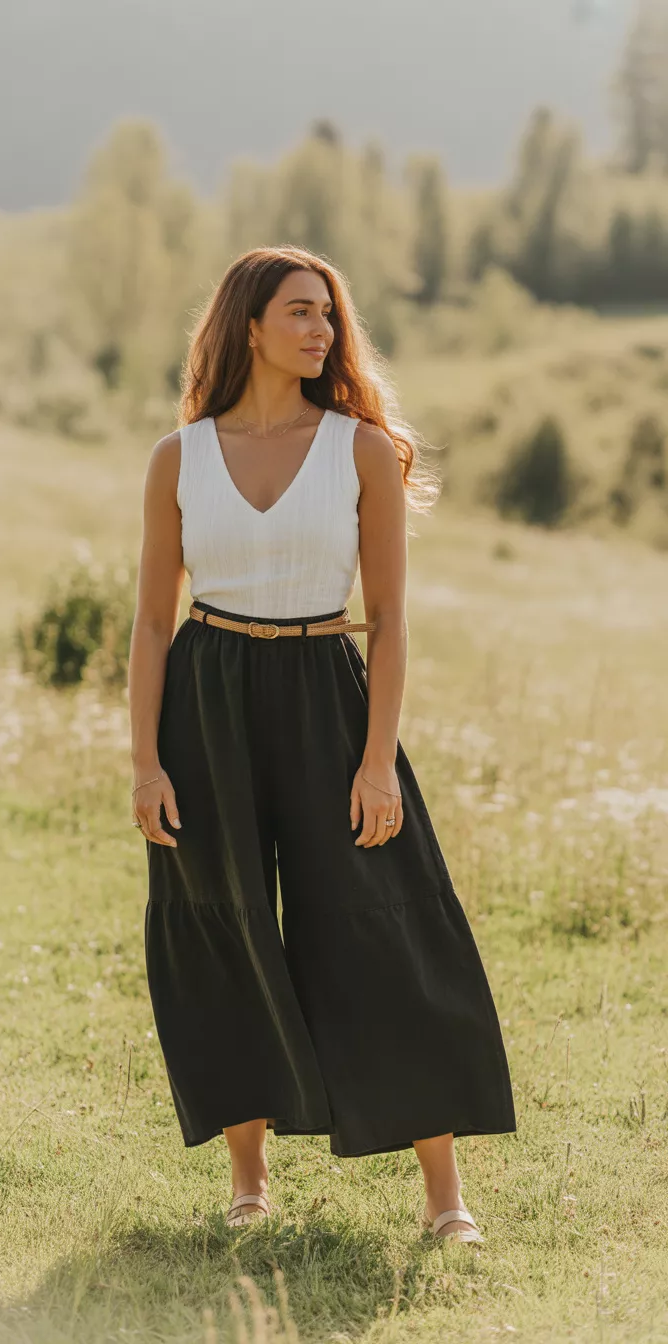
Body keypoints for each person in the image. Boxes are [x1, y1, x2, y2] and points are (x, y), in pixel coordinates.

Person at [128, 245, 516, 1242]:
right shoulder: (180, 457)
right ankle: (249, 1184)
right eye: (300, 313)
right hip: (207, 699)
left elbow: (387, 617)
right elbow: (151, 624)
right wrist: (144, 759)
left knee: (386, 917)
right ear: (247, 326)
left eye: (330, 318)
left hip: (325, 691)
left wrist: (377, 758)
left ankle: (445, 1197)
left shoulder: (361, 449)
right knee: (225, 923)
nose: (321, 332)